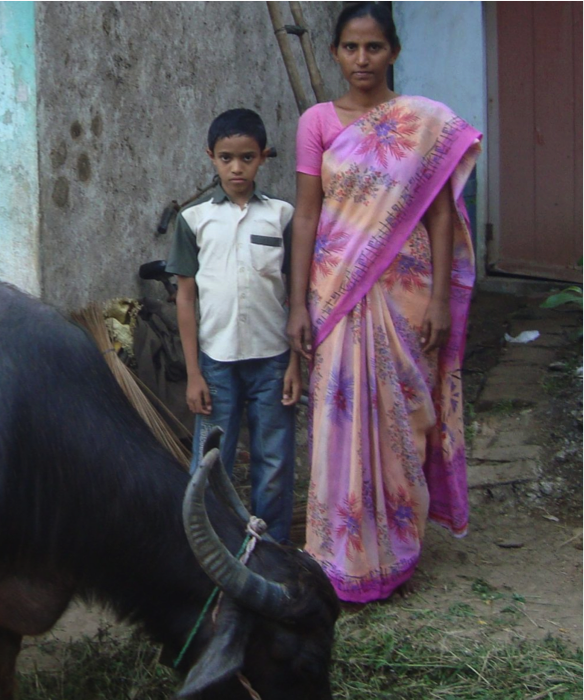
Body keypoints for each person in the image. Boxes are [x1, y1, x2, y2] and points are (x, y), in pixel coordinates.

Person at [286, 1, 482, 602]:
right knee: (339, 418)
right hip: (335, 290)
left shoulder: (424, 122)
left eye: (374, 47)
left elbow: (442, 213)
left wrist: (443, 299)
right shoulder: (318, 121)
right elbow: (309, 214)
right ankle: (340, 556)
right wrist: (296, 304)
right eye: (350, 47)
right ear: (336, 53)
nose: (362, 59)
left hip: (409, 293)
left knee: (405, 417)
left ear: (394, 51)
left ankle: (396, 547)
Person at [166, 108, 300, 543]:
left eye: (247, 157)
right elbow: (185, 298)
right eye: (226, 158)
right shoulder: (193, 220)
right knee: (210, 461)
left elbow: (298, 295)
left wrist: (296, 363)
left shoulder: (281, 216)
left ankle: (271, 549)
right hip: (216, 364)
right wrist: (193, 373)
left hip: (273, 362)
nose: (236, 168)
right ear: (211, 157)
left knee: (274, 460)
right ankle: (210, 550)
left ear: (263, 157)